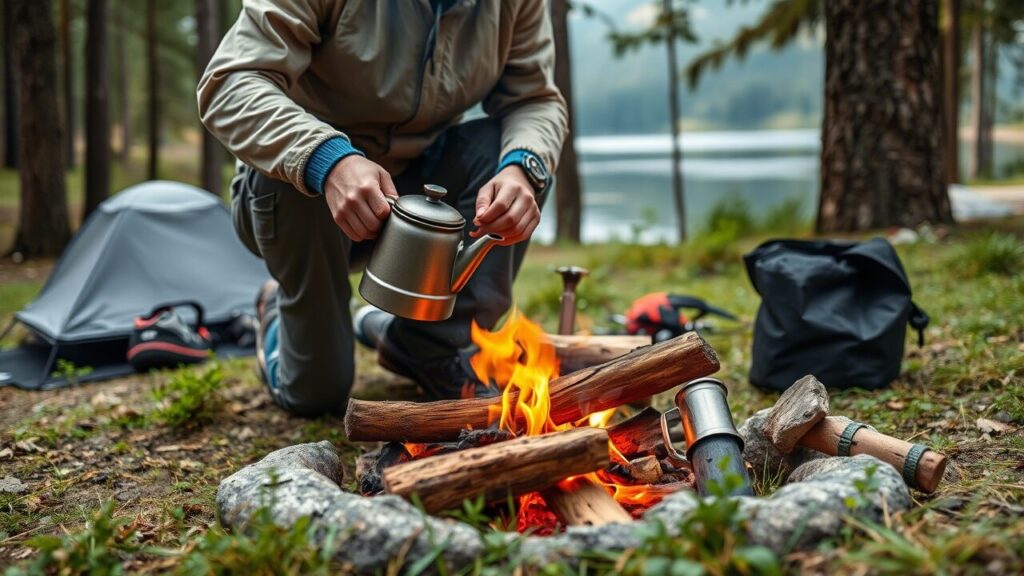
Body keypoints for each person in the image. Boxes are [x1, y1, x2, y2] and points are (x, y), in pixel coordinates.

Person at [197, 0, 568, 416]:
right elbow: (230, 82)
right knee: (316, 394)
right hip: (302, 195)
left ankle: (428, 344)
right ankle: (278, 315)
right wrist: (328, 159)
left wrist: (520, 169)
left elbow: (535, 99)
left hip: (416, 197)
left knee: (508, 149)